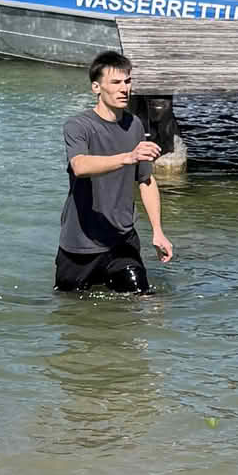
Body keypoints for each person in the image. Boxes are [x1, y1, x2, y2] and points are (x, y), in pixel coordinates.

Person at [57, 51, 175, 294]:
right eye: (116, 82)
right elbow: (79, 166)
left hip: (122, 240)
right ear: (96, 87)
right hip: (81, 243)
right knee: (70, 311)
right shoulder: (78, 125)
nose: (124, 89)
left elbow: (146, 180)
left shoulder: (135, 125)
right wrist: (127, 157)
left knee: (144, 299)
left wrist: (158, 231)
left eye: (128, 81)